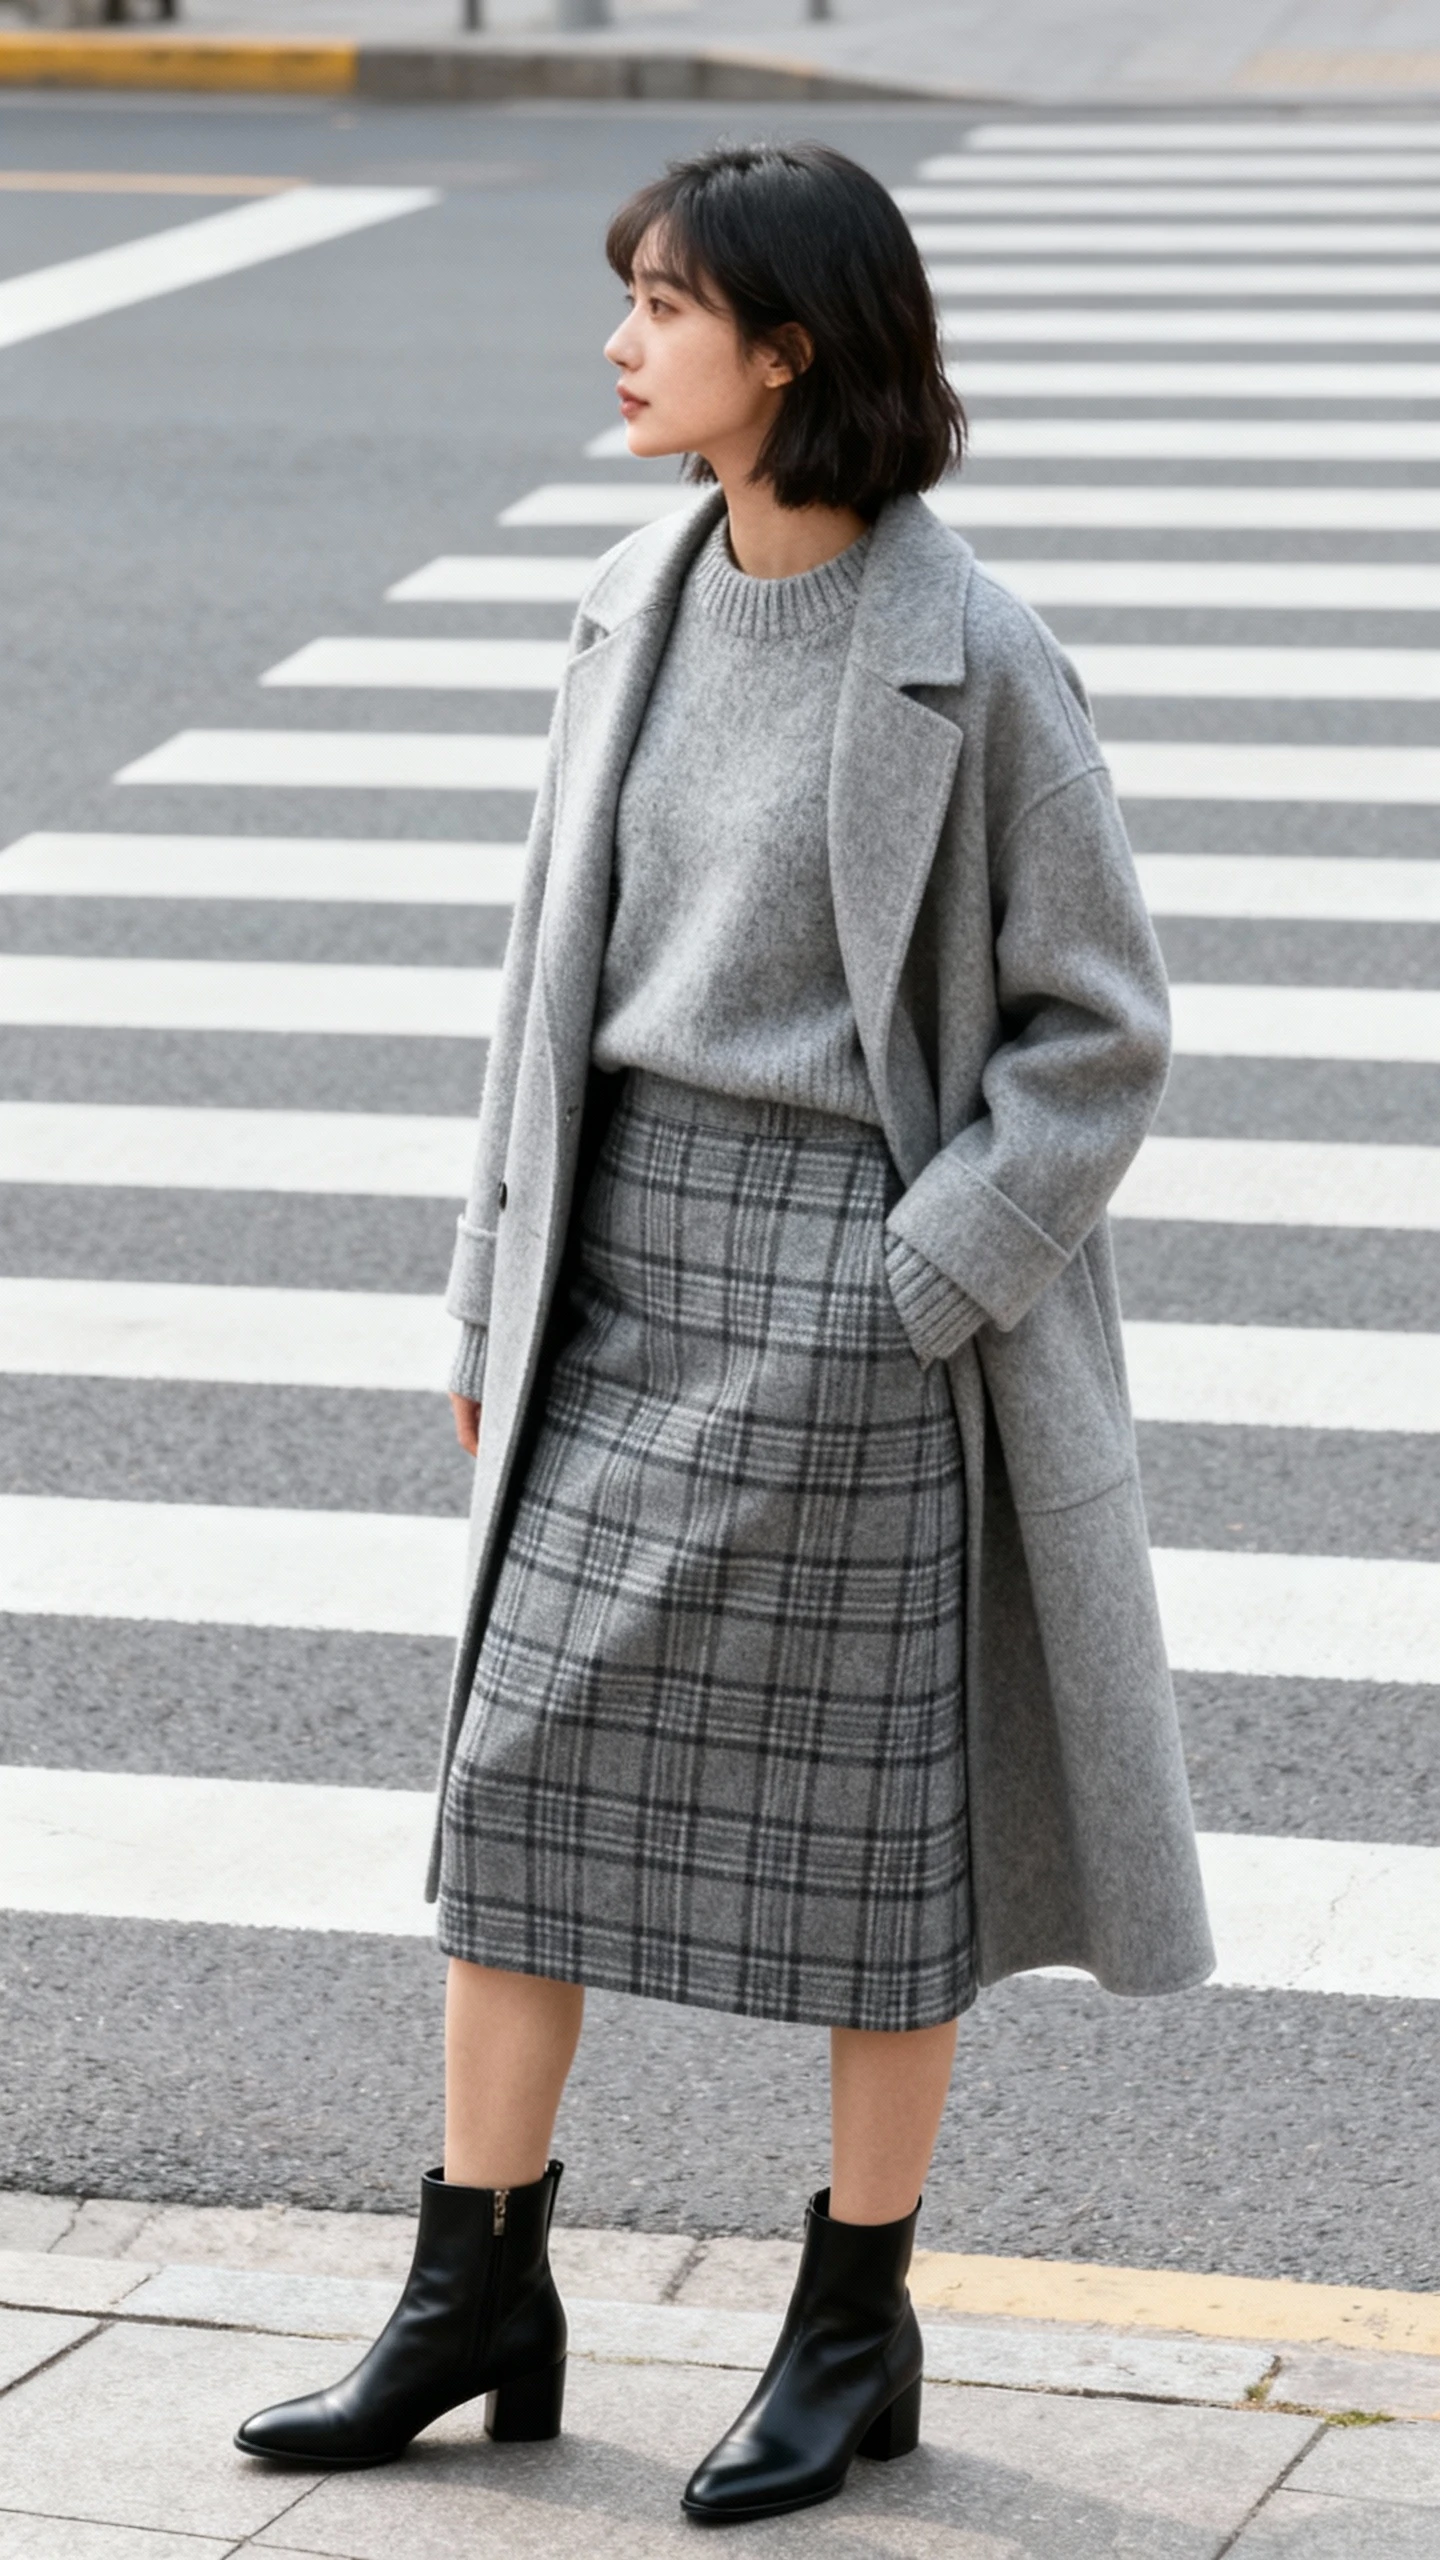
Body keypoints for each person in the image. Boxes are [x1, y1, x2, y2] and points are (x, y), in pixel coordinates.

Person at [235, 138, 1213, 2527]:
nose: (620, 339)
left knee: (885, 1854)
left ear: (790, 348)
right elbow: (539, 993)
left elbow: (1103, 1032)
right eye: (629, 297)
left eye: (663, 304)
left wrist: (923, 1279)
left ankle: (853, 2318)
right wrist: (490, 1272)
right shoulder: (632, 596)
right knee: (516, 1796)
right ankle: (478, 2285)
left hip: (865, 1305)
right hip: (621, 1256)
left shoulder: (969, 648)